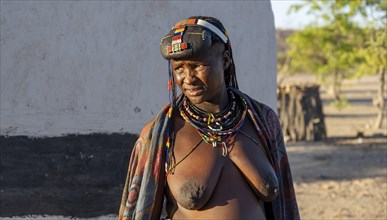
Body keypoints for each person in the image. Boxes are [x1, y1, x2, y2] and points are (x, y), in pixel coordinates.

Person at [118, 16, 299, 220]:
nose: (188, 78)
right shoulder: (162, 133)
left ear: (225, 60)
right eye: (178, 68)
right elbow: (141, 213)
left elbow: (285, 206)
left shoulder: (261, 121)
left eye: (197, 66)